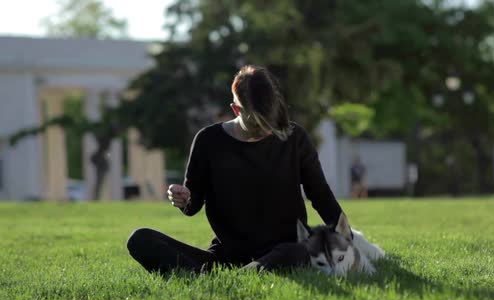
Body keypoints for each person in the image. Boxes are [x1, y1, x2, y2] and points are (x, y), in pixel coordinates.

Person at [126, 65, 343, 274]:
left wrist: (346, 236)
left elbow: (320, 194)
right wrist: (182, 198)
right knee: (140, 239)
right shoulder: (208, 140)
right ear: (236, 109)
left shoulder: (295, 138)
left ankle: (220, 277)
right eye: (257, 124)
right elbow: (192, 206)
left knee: (299, 252)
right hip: (227, 257)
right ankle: (219, 275)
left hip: (285, 252)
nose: (267, 130)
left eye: (270, 121)